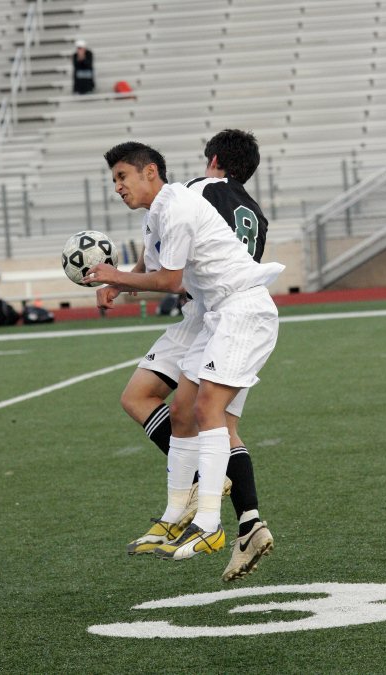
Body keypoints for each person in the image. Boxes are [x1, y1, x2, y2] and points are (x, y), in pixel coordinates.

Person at [83, 142, 284, 578]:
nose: (117, 187)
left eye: (122, 176)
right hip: (215, 313)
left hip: (238, 310)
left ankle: (209, 522)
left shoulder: (185, 197)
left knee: (208, 410)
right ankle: (180, 511)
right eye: (113, 179)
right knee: (181, 410)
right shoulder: (160, 212)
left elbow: (172, 280)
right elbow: (158, 265)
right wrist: (123, 280)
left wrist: (115, 275)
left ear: (150, 171)